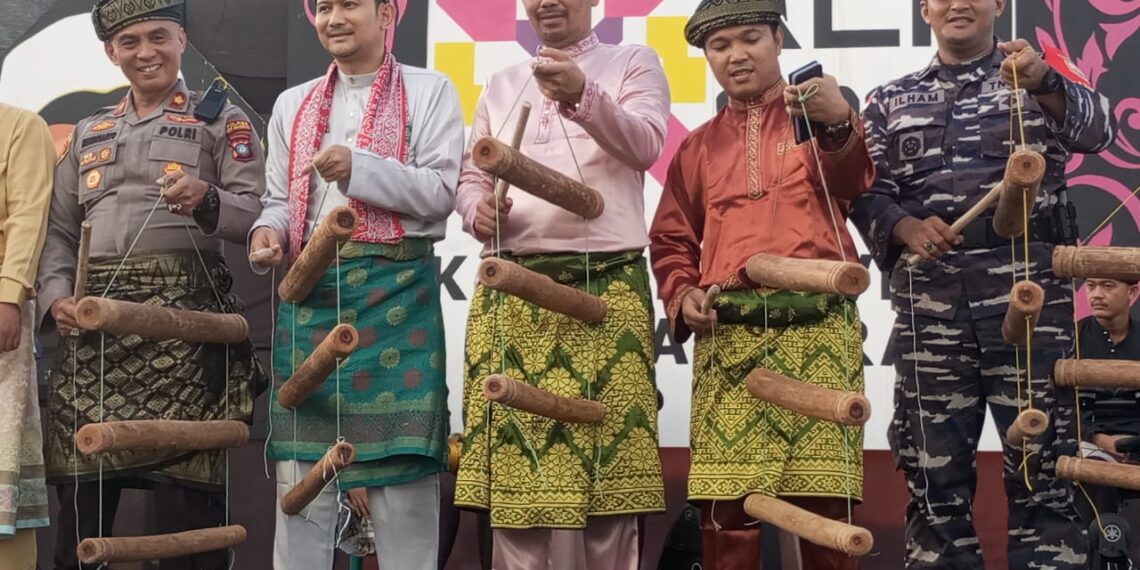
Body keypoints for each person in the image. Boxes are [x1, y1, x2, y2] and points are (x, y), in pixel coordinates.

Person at [848, 0, 1117, 567]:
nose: (958, 4)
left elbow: (1100, 129)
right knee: (932, 480)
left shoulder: (1039, 70)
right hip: (931, 310)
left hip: (1029, 307)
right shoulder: (890, 99)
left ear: (999, 4)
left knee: (1043, 470)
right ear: (925, 9)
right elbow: (865, 190)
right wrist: (903, 225)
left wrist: (1044, 80)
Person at [36, 1, 268, 568]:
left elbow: (258, 214)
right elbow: (59, 231)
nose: (146, 53)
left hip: (184, 324)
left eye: (159, 37)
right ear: (110, 52)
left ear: (182, 39)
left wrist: (207, 198)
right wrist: (57, 298)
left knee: (185, 501)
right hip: (94, 325)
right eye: (130, 42)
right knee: (83, 497)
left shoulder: (223, 120)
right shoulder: (90, 130)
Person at [649, 1, 873, 567]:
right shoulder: (697, 146)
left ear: (778, 39)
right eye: (720, 46)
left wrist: (838, 122)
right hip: (729, 338)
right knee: (727, 510)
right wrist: (684, 293)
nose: (736, 56)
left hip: (818, 328)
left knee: (825, 507)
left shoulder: (820, 117)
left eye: (750, 38)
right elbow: (671, 239)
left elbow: (855, 183)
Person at [451, 0, 670, 567]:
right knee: (517, 478)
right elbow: (472, 177)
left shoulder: (633, 61)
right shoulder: (501, 82)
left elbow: (647, 144)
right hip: (512, 286)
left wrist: (583, 95)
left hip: (605, 284)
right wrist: (476, 210)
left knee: (607, 478)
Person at [247, 0, 463, 567]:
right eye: (324, 7)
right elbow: (278, 202)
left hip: (396, 297)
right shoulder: (293, 103)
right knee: (303, 489)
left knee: (402, 491)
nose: (334, 18)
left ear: (387, 13)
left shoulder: (430, 90)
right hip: (311, 297)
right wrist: (267, 234)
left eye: (350, 4)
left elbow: (440, 193)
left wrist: (359, 169)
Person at [0, 103, 54, 570]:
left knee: (4, 469)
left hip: (1, 305)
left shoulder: (21, 126)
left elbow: (28, 217)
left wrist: (8, 296)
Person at [1075, 279, 1140, 539]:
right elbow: (1056, 407)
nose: (1096, 294)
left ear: (1132, 292)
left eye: (1108, 286)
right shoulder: (1070, 338)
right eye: (1091, 286)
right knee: (1094, 471)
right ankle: (1105, 552)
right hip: (1089, 443)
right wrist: (1097, 439)